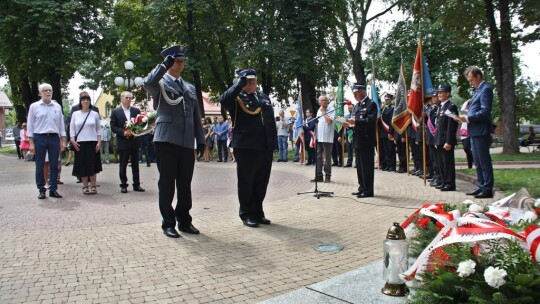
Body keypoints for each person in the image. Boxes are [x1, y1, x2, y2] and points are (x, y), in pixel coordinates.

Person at [143, 45, 205, 238]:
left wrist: (201, 140)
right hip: (166, 140)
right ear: (170, 62)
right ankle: (168, 222)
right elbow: (147, 83)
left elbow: (196, 116)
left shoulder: (190, 87)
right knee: (167, 183)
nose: (181, 64)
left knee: (185, 184)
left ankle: (184, 220)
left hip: (186, 141)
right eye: (177, 61)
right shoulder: (160, 84)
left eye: (182, 61)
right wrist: (163, 66)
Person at [220, 68, 277, 228]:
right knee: (246, 182)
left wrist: (273, 144)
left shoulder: (263, 97)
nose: (252, 83)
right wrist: (239, 85)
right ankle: (246, 213)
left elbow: (270, 121)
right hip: (246, 146)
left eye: (253, 80)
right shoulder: (236, 97)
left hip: (264, 146)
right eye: (247, 80)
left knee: (261, 182)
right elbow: (223, 100)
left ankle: (258, 212)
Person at [27, 83, 67, 199]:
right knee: (40, 164)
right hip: (40, 137)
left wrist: (63, 140)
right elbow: (30, 125)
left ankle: (53, 189)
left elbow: (61, 125)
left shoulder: (57, 107)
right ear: (40, 93)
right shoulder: (34, 107)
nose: (48, 92)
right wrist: (31, 143)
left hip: (54, 137)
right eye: (45, 90)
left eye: (50, 90)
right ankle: (41, 189)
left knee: (54, 165)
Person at [460, 66, 494, 199]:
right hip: (474, 130)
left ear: (478, 76)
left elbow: (485, 111)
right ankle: (480, 186)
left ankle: (487, 188)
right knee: (477, 161)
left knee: (484, 161)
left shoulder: (486, 89)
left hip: (481, 130)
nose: (470, 83)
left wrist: (468, 118)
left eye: (472, 80)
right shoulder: (478, 90)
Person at [110, 91, 145, 194]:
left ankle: (136, 185)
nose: (129, 100)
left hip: (134, 141)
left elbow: (140, 124)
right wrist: (124, 132)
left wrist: (135, 131)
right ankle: (124, 185)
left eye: (130, 98)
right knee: (123, 164)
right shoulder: (115, 111)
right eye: (127, 98)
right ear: (122, 98)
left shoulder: (136, 110)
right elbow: (113, 126)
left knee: (135, 164)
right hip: (123, 141)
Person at [346, 84, 376, 198]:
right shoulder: (357, 106)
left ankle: (368, 190)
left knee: (367, 166)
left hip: (366, 139)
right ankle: (362, 187)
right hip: (357, 139)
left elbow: (370, 121)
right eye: (353, 93)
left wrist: (356, 122)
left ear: (363, 92)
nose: (354, 95)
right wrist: (348, 125)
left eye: (356, 93)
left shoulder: (371, 104)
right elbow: (354, 121)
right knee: (359, 166)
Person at [70, 94, 102, 194]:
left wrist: (99, 142)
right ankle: (85, 186)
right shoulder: (75, 114)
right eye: (83, 100)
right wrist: (73, 140)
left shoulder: (95, 114)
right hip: (80, 143)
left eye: (87, 100)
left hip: (92, 142)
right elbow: (72, 129)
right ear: (80, 102)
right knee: (82, 165)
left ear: (90, 102)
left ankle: (93, 185)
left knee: (92, 164)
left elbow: (98, 129)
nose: (85, 101)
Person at [435, 85, 458, 191]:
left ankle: (449, 184)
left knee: (447, 163)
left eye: (442, 92)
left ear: (448, 93)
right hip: (439, 139)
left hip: (446, 140)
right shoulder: (440, 106)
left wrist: (448, 141)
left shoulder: (451, 106)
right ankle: (444, 181)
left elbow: (451, 125)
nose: (439, 94)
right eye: (438, 92)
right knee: (441, 163)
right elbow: (438, 125)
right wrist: (436, 140)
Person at [312, 95, 335, 183]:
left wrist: (324, 112)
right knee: (318, 156)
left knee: (327, 157)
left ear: (328, 101)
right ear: (319, 102)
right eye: (322, 100)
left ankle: (328, 176)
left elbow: (329, 122)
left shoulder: (331, 109)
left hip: (327, 136)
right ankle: (318, 175)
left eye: (325, 100)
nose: (324, 102)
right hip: (319, 136)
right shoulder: (319, 109)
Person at [380, 94, 396, 171]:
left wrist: (390, 132)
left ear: (391, 100)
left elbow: (391, 122)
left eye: (388, 99)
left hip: (389, 132)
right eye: (385, 99)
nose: (386, 101)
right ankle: (387, 164)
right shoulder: (383, 109)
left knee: (391, 150)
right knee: (385, 150)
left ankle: (392, 165)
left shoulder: (393, 109)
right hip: (383, 132)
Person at [460, 100, 474, 169]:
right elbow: (462, 108)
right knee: (466, 149)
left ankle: (471, 165)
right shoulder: (466, 112)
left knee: (470, 149)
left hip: (471, 132)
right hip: (464, 133)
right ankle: (470, 164)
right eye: (468, 104)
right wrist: (469, 100)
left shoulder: (473, 112)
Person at [343, 101, 355, 167]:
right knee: (349, 148)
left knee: (355, 148)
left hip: (354, 133)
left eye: (351, 108)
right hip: (348, 133)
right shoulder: (347, 116)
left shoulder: (355, 115)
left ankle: (357, 163)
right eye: (349, 108)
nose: (350, 109)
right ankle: (349, 162)